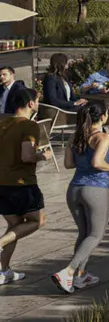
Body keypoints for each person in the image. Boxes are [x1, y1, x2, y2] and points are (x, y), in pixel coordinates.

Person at [52, 103, 109, 294]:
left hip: (74, 190)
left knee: (84, 233)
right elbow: (97, 162)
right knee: (95, 234)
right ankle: (68, 272)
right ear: (103, 117)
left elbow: (69, 164)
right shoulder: (102, 137)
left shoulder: (75, 137)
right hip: (95, 189)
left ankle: (80, 276)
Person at [0, 85, 50, 285]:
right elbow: (27, 155)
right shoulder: (30, 126)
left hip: (1, 182)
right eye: (37, 100)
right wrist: (42, 156)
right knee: (38, 221)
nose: (38, 103)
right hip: (21, 184)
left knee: (14, 226)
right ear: (31, 103)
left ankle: (4, 270)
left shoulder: (2, 123)